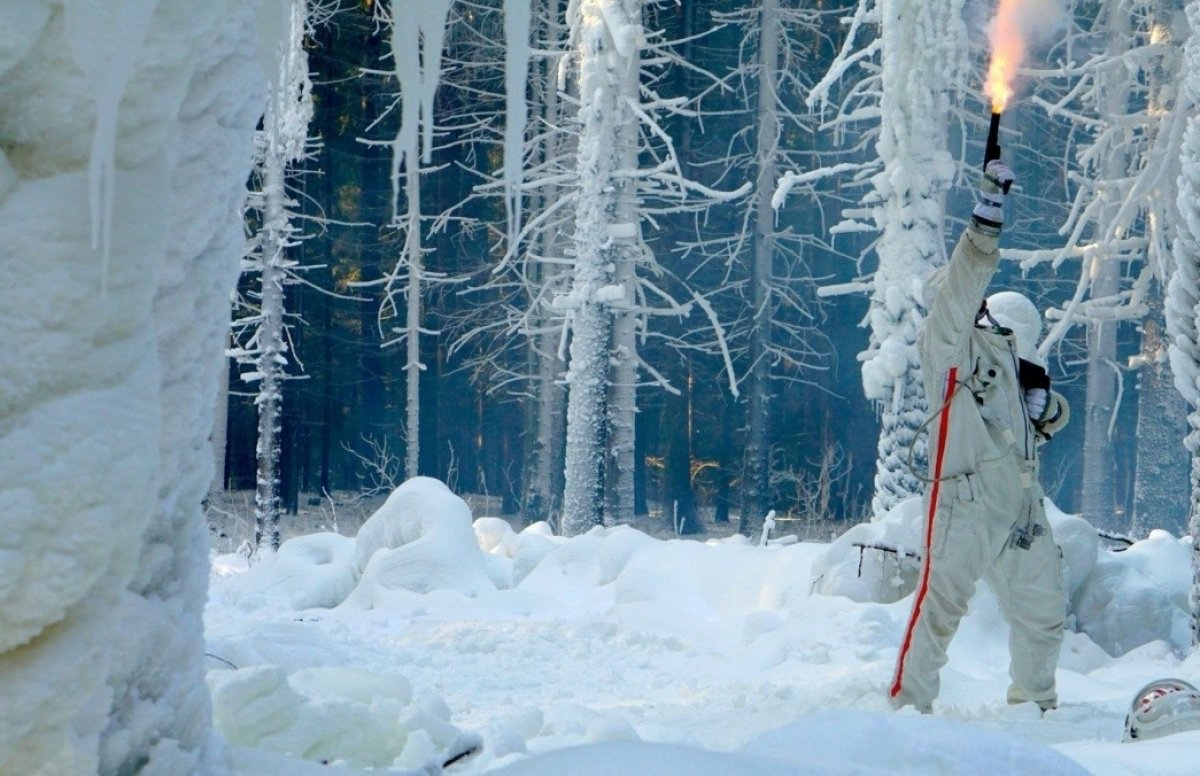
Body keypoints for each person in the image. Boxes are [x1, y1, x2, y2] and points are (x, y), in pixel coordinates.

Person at [888, 160, 1071, 714]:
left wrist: (1048, 408)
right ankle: (907, 708)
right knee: (940, 607)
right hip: (964, 501)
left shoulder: (1008, 356)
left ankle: (1035, 706)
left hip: (1019, 504)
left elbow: (1027, 426)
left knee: (1043, 608)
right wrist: (986, 221)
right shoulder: (945, 347)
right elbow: (964, 283)